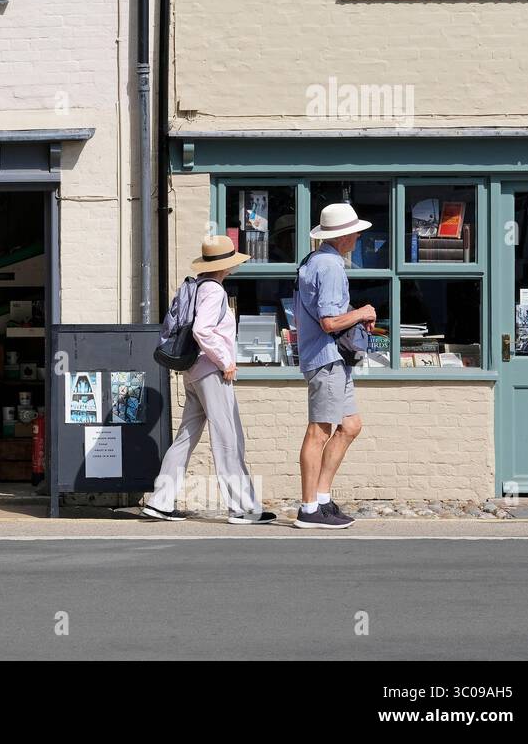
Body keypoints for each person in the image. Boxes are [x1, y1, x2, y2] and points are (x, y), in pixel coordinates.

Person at [141, 236, 276, 525]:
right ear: (226, 265)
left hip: (192, 371)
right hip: (211, 372)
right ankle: (242, 508)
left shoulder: (196, 286)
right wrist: (225, 361)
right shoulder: (214, 291)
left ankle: (160, 502)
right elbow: (203, 330)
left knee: (185, 439)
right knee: (229, 438)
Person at [293, 202, 378, 530]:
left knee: (350, 425)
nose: (358, 235)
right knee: (319, 430)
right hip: (326, 358)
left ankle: (322, 500)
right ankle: (308, 508)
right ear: (343, 236)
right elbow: (329, 322)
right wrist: (363, 312)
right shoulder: (329, 266)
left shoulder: (317, 261)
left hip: (331, 359)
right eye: (354, 231)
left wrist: (355, 313)